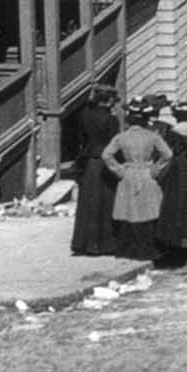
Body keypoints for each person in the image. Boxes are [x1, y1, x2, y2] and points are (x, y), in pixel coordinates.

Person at [102, 100, 173, 261]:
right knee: (148, 211)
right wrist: (155, 169)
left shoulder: (121, 137)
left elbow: (106, 155)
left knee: (129, 210)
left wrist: (119, 170)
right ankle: (149, 249)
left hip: (128, 175)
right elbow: (168, 154)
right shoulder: (153, 136)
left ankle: (127, 249)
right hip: (147, 174)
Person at [71, 86, 122, 256]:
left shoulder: (84, 115)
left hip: (88, 162)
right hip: (105, 162)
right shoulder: (111, 119)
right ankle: (106, 244)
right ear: (108, 101)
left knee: (88, 202)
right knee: (106, 203)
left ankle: (84, 244)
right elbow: (114, 144)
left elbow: (81, 138)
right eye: (113, 101)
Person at [155, 100, 187, 268]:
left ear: (176, 116)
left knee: (177, 206)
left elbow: (165, 155)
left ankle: (178, 246)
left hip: (177, 175)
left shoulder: (171, 134)